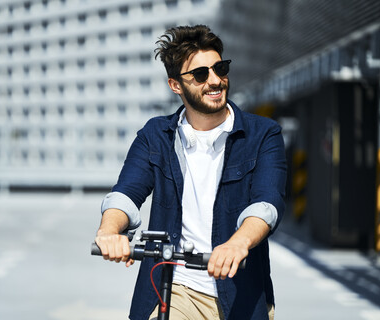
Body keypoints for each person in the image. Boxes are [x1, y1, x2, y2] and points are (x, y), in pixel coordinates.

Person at [94, 25, 286, 320]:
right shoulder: (156, 135)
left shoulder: (263, 135)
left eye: (220, 68)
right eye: (200, 74)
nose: (215, 80)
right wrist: (109, 231)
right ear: (176, 85)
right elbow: (126, 193)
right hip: (176, 288)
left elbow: (267, 204)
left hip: (241, 294)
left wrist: (238, 242)